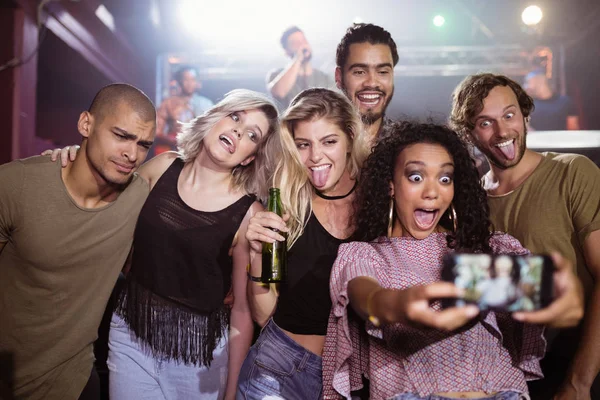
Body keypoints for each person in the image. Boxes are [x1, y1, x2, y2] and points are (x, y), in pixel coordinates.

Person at [322, 121, 584, 400]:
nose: (432, 192)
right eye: (416, 177)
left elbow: (544, 291)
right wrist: (400, 306)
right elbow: (368, 299)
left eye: (445, 178)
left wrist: (561, 294)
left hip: (504, 393)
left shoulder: (486, 249)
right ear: (390, 186)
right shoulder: (367, 255)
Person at [51, 90, 281, 400]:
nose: (239, 131)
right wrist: (74, 157)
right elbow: (106, 194)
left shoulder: (249, 212)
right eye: (236, 117)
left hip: (198, 357)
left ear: (250, 156)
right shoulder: (163, 167)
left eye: (252, 135)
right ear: (216, 118)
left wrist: (231, 392)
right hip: (130, 334)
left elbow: (241, 310)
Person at [0, 83, 156, 400]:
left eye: (143, 144)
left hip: (74, 382)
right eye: (122, 136)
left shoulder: (140, 196)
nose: (132, 153)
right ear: (86, 124)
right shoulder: (16, 184)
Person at [450, 73, 600, 400]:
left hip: (576, 364)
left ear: (524, 114)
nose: (503, 131)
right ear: (467, 132)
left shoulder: (573, 172)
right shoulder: (465, 201)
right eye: (486, 122)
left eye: (509, 115)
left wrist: (579, 382)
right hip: (505, 378)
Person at [236, 88, 369, 400]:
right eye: (303, 145)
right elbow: (262, 315)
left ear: (349, 138)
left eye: (329, 142)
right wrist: (257, 254)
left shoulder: (377, 204)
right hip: (278, 369)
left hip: (352, 379)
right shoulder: (285, 205)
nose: (316, 156)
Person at [335, 23, 399, 145]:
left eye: (382, 72)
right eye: (359, 72)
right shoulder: (318, 146)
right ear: (339, 77)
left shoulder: (405, 146)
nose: (372, 83)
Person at [267, 26, 335, 108]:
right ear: (287, 52)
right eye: (296, 43)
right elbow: (279, 92)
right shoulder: (276, 75)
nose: (302, 44)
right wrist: (298, 58)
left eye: (304, 40)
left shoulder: (324, 78)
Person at [156, 65, 214, 154]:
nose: (189, 83)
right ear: (179, 81)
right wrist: (173, 140)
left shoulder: (207, 104)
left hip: (201, 152)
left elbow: (214, 130)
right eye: (186, 79)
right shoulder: (168, 103)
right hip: (175, 151)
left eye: (193, 79)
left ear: (197, 82)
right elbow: (157, 131)